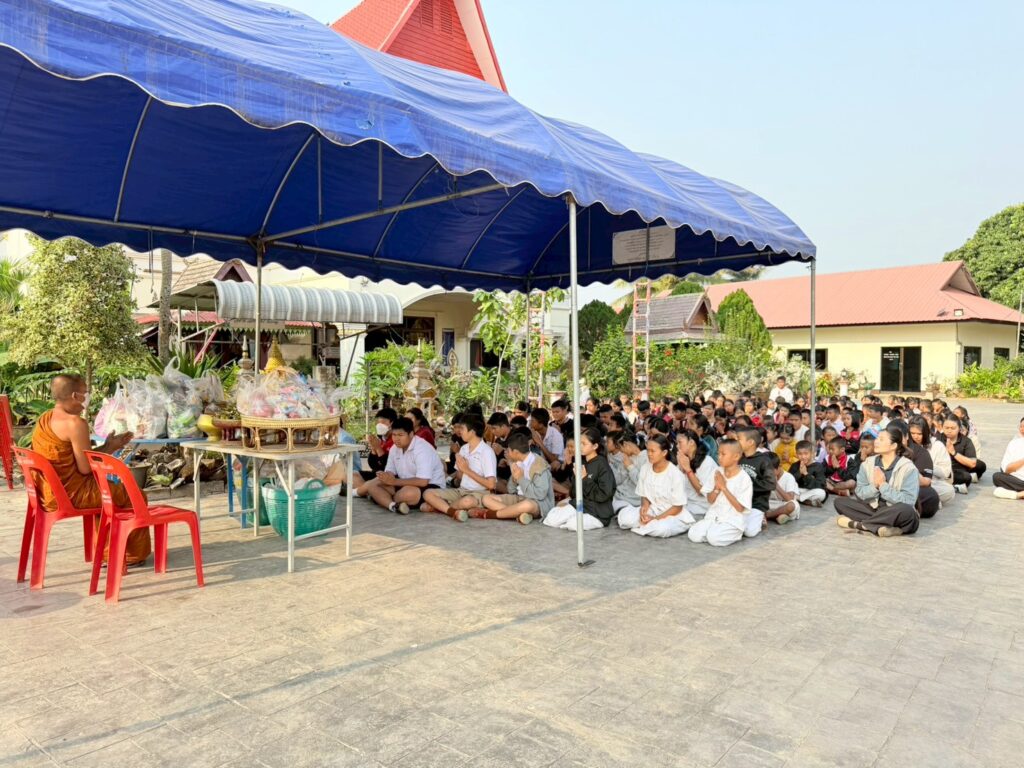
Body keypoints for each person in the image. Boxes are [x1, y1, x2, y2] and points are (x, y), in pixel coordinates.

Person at [32, 374, 151, 566]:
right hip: (71, 494)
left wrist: (109, 446)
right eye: (85, 393)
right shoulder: (75, 423)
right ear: (75, 396)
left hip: (47, 493)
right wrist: (108, 449)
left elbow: (78, 458)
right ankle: (129, 555)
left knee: (109, 491)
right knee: (133, 495)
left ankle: (108, 551)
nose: (88, 397)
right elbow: (86, 468)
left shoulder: (44, 419)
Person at [834, 425, 921, 537]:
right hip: (873, 509)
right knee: (839, 502)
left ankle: (861, 525)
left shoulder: (908, 468)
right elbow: (859, 492)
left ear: (893, 446)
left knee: (907, 511)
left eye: (881, 439)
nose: (876, 442)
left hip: (895, 510)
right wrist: (875, 486)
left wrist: (883, 486)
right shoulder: (867, 464)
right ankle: (886, 527)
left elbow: (908, 501)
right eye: (877, 438)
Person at [361, 417, 446, 514]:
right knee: (373, 485)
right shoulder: (394, 448)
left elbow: (423, 481)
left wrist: (394, 481)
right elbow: (390, 471)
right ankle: (393, 506)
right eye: (394, 435)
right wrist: (386, 477)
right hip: (403, 483)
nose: (396, 439)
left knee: (408, 493)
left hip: (430, 486)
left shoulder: (422, 449)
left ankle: (382, 499)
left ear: (411, 434)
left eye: (400, 435)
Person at [616, 435, 693, 537]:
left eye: (653, 451)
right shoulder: (645, 468)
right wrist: (644, 508)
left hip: (672, 514)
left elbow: (677, 507)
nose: (649, 454)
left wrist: (655, 519)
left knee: (662, 529)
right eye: (648, 450)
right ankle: (647, 525)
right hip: (653, 509)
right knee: (625, 518)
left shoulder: (675, 474)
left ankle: (647, 525)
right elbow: (644, 494)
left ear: (664, 453)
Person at [422, 415, 496, 522]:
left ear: (472, 431)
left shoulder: (487, 451)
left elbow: (491, 485)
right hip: (461, 491)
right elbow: (459, 476)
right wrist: (461, 468)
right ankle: (452, 510)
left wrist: (467, 470)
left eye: (462, 428)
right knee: (428, 493)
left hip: (479, 493)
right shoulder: (464, 449)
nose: (459, 431)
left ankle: (441, 507)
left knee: (467, 502)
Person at [688, 439, 760, 546]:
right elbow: (710, 500)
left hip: (732, 520)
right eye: (718, 454)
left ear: (736, 456)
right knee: (693, 535)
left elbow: (740, 508)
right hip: (714, 516)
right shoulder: (717, 471)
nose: (719, 457)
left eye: (723, 454)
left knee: (714, 539)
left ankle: (735, 533)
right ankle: (714, 531)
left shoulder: (744, 479)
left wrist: (724, 488)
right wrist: (717, 488)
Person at [544, 428, 617, 531]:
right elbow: (574, 493)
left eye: (584, 444)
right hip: (580, 505)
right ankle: (570, 518)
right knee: (551, 519)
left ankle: (573, 520)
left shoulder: (602, 464)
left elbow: (604, 494)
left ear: (595, 446)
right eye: (579, 443)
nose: (580, 446)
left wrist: (585, 479)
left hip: (597, 512)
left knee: (573, 524)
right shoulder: (580, 462)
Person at [478, 432, 554, 524]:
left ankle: (494, 514)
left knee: (527, 505)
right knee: (486, 498)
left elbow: (540, 494)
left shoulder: (539, 465)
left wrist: (521, 478)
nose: (507, 452)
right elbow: (511, 490)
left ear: (516, 452)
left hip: (537, 502)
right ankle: (517, 514)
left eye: (508, 450)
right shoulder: (518, 462)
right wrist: (514, 477)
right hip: (519, 499)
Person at [890, 419, 940, 519]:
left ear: (906, 437)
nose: (896, 441)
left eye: (899, 437)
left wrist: (907, 467)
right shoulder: (882, 448)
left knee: (931, 495)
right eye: (892, 438)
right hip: (883, 489)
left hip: (907, 489)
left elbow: (926, 481)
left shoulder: (920, 452)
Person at [908, 415, 954, 508]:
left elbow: (946, 472)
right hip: (910, 482)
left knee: (949, 491)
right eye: (912, 433)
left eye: (919, 434)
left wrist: (927, 466)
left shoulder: (937, 445)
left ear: (925, 433)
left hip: (932, 481)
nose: (915, 437)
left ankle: (928, 500)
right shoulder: (906, 445)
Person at [676, 428, 718, 517]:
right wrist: (680, 469)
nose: (677, 446)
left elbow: (701, 491)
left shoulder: (707, 462)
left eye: (680, 442)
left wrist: (688, 470)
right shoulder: (684, 459)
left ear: (691, 442)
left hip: (701, 509)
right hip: (686, 505)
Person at [737, 427, 774, 526]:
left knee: (749, 531)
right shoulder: (738, 458)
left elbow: (771, 484)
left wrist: (749, 484)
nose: (736, 442)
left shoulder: (764, 460)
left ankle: (762, 516)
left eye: (739, 439)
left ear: (750, 442)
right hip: (738, 502)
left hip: (757, 504)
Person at [941, 414, 986, 492]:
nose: (949, 430)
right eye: (946, 428)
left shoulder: (966, 441)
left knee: (967, 477)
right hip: (941, 470)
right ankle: (952, 487)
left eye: (953, 428)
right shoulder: (937, 439)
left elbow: (972, 463)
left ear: (959, 428)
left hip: (957, 471)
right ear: (942, 427)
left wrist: (953, 453)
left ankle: (948, 486)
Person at [606, 430, 645, 519]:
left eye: (620, 448)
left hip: (632, 499)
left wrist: (630, 467)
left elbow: (641, 484)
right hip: (620, 495)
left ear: (626, 444)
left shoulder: (645, 457)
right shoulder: (627, 457)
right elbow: (619, 479)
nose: (621, 451)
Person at [993, 416, 1024, 500]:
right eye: (1021, 426)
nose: (1022, 429)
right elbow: (1006, 470)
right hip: (1017, 480)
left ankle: (1019, 494)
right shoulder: (1014, 443)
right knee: (997, 477)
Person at [789, 440, 827, 507]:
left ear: (811, 453)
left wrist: (806, 474)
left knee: (821, 493)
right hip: (798, 490)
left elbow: (820, 485)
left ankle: (798, 498)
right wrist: (799, 473)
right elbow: (789, 481)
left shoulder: (818, 466)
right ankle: (806, 501)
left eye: (806, 454)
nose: (803, 457)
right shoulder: (794, 465)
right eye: (800, 454)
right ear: (796, 454)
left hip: (810, 491)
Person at [768, 453, 801, 524]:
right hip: (771, 504)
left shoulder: (789, 477)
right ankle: (778, 516)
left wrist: (776, 485)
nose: (768, 473)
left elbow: (789, 499)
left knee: (792, 505)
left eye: (771, 471)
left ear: (779, 466)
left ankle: (768, 516)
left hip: (783, 505)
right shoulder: (765, 476)